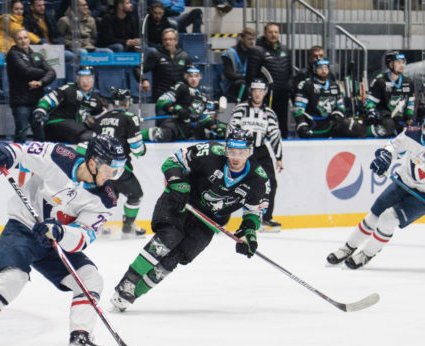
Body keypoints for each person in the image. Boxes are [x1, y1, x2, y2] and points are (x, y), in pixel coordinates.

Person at [0, 136, 127, 346]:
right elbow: (22, 151)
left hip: (55, 241)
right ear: (93, 162)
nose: (113, 176)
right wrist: (6, 153)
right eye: (111, 169)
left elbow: (85, 235)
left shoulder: (105, 198)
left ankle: (80, 339)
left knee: (90, 278)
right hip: (23, 228)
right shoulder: (60, 155)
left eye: (118, 171)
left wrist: (60, 232)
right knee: (12, 278)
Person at [108, 128, 270, 312]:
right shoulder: (209, 152)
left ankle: (134, 293)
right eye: (232, 151)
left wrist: (249, 232)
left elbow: (254, 210)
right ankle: (128, 283)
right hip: (181, 201)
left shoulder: (259, 180)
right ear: (226, 149)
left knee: (176, 257)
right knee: (169, 238)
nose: (236, 157)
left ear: (250, 152)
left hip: (209, 220)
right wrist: (177, 181)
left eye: (241, 153)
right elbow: (173, 161)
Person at [326, 109, 425, 269]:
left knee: (388, 219)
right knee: (373, 217)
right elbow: (394, 146)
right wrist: (385, 157)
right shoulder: (412, 134)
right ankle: (347, 248)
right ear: (423, 127)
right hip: (403, 183)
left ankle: (367, 254)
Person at [227, 78, 283, 232]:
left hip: (261, 150)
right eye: (255, 90)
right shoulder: (241, 109)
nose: (258, 94)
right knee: (234, 183)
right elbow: (231, 128)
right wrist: (232, 150)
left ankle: (266, 218)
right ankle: (222, 216)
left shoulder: (269, 113)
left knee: (271, 182)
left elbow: (274, 134)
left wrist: (278, 158)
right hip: (242, 150)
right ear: (251, 92)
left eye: (261, 91)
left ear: (264, 93)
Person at [91, 88, 147, 237]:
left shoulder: (101, 118)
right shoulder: (130, 118)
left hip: (100, 167)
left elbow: (94, 143)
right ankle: (128, 227)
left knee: (108, 196)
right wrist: (139, 134)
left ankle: (98, 226)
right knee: (136, 195)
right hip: (118, 167)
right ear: (127, 102)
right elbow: (137, 149)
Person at [144, 66, 223, 142]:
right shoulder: (181, 87)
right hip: (175, 122)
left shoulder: (201, 96)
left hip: (188, 126)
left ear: (200, 78)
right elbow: (161, 100)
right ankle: (138, 135)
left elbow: (202, 115)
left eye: (196, 76)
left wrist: (213, 126)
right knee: (163, 135)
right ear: (186, 77)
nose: (193, 79)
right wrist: (175, 109)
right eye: (190, 76)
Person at [293, 59, 366, 139]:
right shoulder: (306, 85)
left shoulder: (334, 85)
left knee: (358, 129)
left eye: (326, 68)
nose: (323, 71)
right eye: (320, 68)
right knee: (304, 132)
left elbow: (341, 106)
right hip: (313, 125)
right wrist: (302, 124)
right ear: (314, 70)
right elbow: (298, 109)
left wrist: (337, 114)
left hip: (330, 124)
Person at [6, 28, 56, 143]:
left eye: (25, 38)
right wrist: (43, 72)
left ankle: (39, 159)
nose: (23, 41)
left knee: (41, 134)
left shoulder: (37, 55)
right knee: (21, 134)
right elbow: (26, 71)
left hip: (38, 101)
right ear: (15, 41)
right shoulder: (13, 54)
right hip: (20, 102)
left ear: (29, 39)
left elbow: (52, 73)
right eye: (20, 38)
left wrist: (40, 82)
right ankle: (17, 159)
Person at [32, 66, 105, 144]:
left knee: (96, 136)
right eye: (82, 79)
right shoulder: (68, 89)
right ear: (77, 79)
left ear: (93, 80)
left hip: (74, 129)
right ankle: (82, 156)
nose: (85, 82)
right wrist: (40, 111)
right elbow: (48, 99)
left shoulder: (95, 98)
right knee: (87, 136)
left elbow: (102, 117)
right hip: (57, 123)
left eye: (88, 79)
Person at [246, 22, 293, 138]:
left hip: (283, 95)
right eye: (270, 32)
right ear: (265, 33)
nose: (273, 35)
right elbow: (251, 77)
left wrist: (289, 86)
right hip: (266, 97)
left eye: (276, 32)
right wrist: (259, 93)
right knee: (265, 125)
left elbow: (290, 73)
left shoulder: (285, 49)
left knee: (282, 126)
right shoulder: (257, 51)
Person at [364, 50, 415, 138]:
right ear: (391, 64)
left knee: (414, 131)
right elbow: (370, 101)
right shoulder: (380, 81)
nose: (402, 65)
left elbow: (410, 102)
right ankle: (366, 131)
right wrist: (371, 112)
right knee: (389, 126)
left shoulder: (408, 81)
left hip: (400, 118)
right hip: (385, 117)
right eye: (398, 62)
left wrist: (409, 117)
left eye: (403, 62)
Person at [133, 28, 192, 103]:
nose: (168, 42)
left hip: (180, 96)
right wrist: (144, 80)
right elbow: (137, 68)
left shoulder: (184, 56)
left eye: (170, 39)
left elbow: (191, 74)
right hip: (161, 97)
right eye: (165, 40)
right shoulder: (156, 55)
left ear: (176, 41)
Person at [221, 27, 256, 102]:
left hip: (248, 84)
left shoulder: (254, 53)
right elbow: (228, 74)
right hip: (232, 86)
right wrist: (246, 78)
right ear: (242, 39)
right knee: (241, 84)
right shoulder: (230, 53)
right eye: (249, 39)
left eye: (253, 39)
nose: (252, 42)